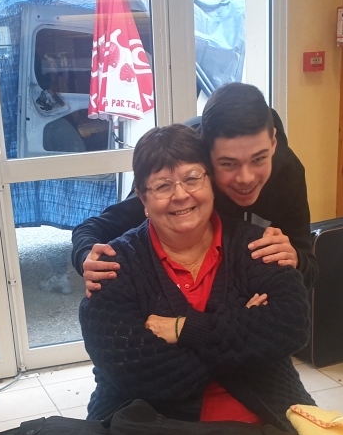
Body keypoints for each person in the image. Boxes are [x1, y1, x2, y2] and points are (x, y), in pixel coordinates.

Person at [79, 124, 313, 429]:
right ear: (143, 198)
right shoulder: (113, 267)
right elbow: (138, 375)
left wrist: (186, 330)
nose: (180, 195)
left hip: (266, 420)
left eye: (192, 179)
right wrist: (244, 333)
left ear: (211, 182)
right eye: (163, 186)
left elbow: (293, 326)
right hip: (153, 433)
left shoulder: (257, 246)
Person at [72, 82, 317, 295]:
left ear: (273, 142)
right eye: (228, 164)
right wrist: (87, 257)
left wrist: (295, 260)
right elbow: (96, 228)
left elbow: (309, 271)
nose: (246, 178)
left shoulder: (288, 173)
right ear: (206, 158)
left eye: (259, 159)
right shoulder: (181, 171)